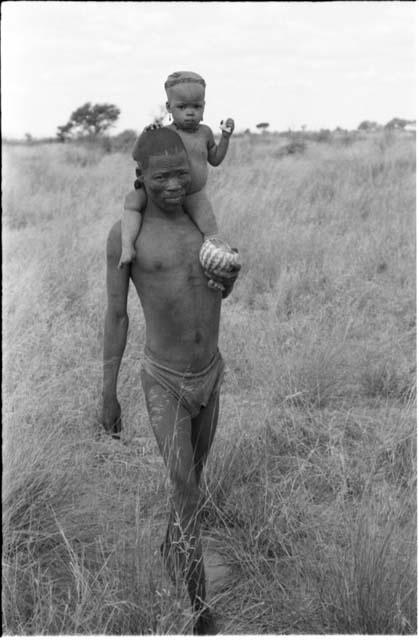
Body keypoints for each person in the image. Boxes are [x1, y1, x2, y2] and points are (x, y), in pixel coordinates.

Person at [101, 127, 240, 634]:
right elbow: (117, 316)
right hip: (164, 381)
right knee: (185, 488)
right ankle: (200, 610)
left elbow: (214, 293)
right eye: (162, 178)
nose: (174, 185)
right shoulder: (128, 237)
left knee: (194, 484)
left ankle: (172, 549)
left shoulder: (203, 228)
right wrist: (107, 393)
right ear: (141, 177)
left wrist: (228, 278)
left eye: (182, 173)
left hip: (211, 372)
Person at [118, 70, 235, 288]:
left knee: (211, 234)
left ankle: (217, 278)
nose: (190, 113)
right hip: (162, 194)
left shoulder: (206, 133)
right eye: (182, 107)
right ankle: (127, 247)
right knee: (132, 203)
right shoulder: (165, 133)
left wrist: (225, 138)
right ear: (169, 107)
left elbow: (216, 160)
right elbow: (137, 155)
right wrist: (147, 133)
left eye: (196, 107)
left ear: (204, 107)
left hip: (194, 194)